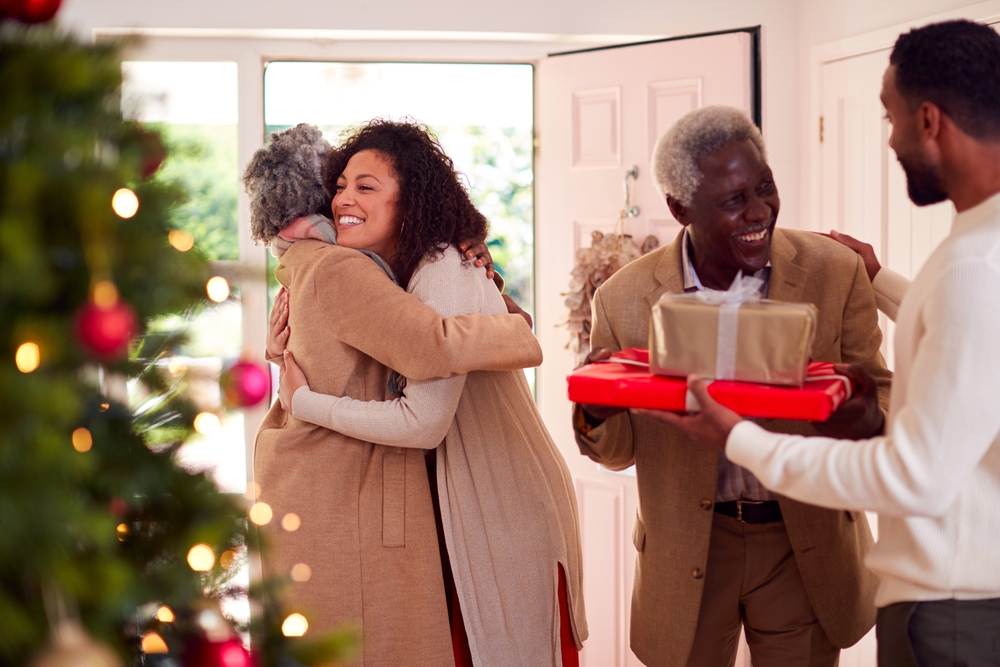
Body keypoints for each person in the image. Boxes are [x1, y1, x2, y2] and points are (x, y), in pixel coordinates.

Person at [646, 20, 1000, 667]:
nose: (890, 140)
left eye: (890, 119)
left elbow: (911, 476)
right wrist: (885, 281)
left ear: (929, 121)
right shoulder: (976, 248)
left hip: (952, 612)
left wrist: (739, 436)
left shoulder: (975, 265)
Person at [572, 105, 892, 667]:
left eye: (765, 188)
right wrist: (596, 412)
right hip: (692, 546)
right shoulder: (622, 300)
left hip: (805, 543)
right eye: (733, 201)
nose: (759, 212)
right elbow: (618, 453)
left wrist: (859, 412)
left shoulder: (835, 271)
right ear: (679, 209)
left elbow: (882, 397)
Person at [270, 119, 587, 667]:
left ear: (411, 201)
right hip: (461, 508)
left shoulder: (442, 266)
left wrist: (304, 403)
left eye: (366, 187)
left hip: (500, 508)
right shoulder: (394, 272)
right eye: (340, 185)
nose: (344, 198)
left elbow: (423, 423)